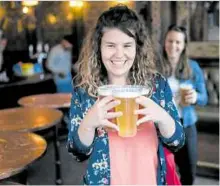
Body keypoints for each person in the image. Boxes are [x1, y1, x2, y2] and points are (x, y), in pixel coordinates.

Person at [67, 5, 185, 185]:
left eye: (127, 45)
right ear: (98, 47)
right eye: (111, 45)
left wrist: (162, 116)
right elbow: (77, 152)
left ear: (137, 48)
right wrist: (88, 124)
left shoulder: (157, 85)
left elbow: (177, 141)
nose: (119, 54)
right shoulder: (84, 91)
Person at [159, 24, 208, 185]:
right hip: (162, 125)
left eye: (178, 42)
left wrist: (195, 97)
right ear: (165, 42)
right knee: (162, 169)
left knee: (189, 170)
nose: (173, 46)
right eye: (170, 41)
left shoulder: (192, 67)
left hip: (186, 123)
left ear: (184, 45)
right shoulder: (156, 67)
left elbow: (204, 98)